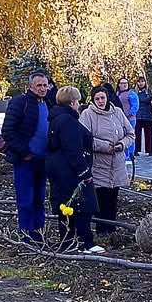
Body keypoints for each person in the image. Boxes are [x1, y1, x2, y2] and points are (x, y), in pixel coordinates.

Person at [0, 72, 52, 240]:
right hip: (25, 161)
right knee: (25, 200)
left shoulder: (49, 103)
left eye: (45, 85)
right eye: (39, 85)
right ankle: (25, 235)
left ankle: (38, 233)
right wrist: (25, 152)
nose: (43, 88)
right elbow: (8, 131)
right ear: (31, 86)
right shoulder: (19, 103)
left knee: (39, 199)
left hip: (43, 160)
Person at [80, 83, 133, 245]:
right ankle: (102, 229)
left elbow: (130, 134)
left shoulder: (117, 112)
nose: (101, 101)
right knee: (101, 199)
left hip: (117, 164)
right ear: (93, 100)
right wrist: (105, 147)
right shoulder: (88, 115)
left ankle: (112, 229)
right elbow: (84, 138)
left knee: (113, 198)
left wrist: (121, 145)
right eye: (97, 98)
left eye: (103, 97)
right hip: (99, 164)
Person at [46, 85, 96, 249]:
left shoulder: (56, 118)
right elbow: (73, 149)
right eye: (77, 101)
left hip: (59, 168)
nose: (79, 105)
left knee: (65, 205)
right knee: (80, 205)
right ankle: (85, 243)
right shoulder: (68, 121)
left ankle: (67, 241)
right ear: (72, 102)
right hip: (70, 170)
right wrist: (84, 172)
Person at [134, 74, 152, 156]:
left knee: (148, 134)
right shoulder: (134, 92)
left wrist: (140, 99)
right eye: (139, 82)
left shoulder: (148, 91)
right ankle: (136, 150)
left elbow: (149, 99)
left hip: (148, 116)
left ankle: (149, 150)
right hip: (138, 116)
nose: (141, 83)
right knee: (137, 134)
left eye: (142, 81)